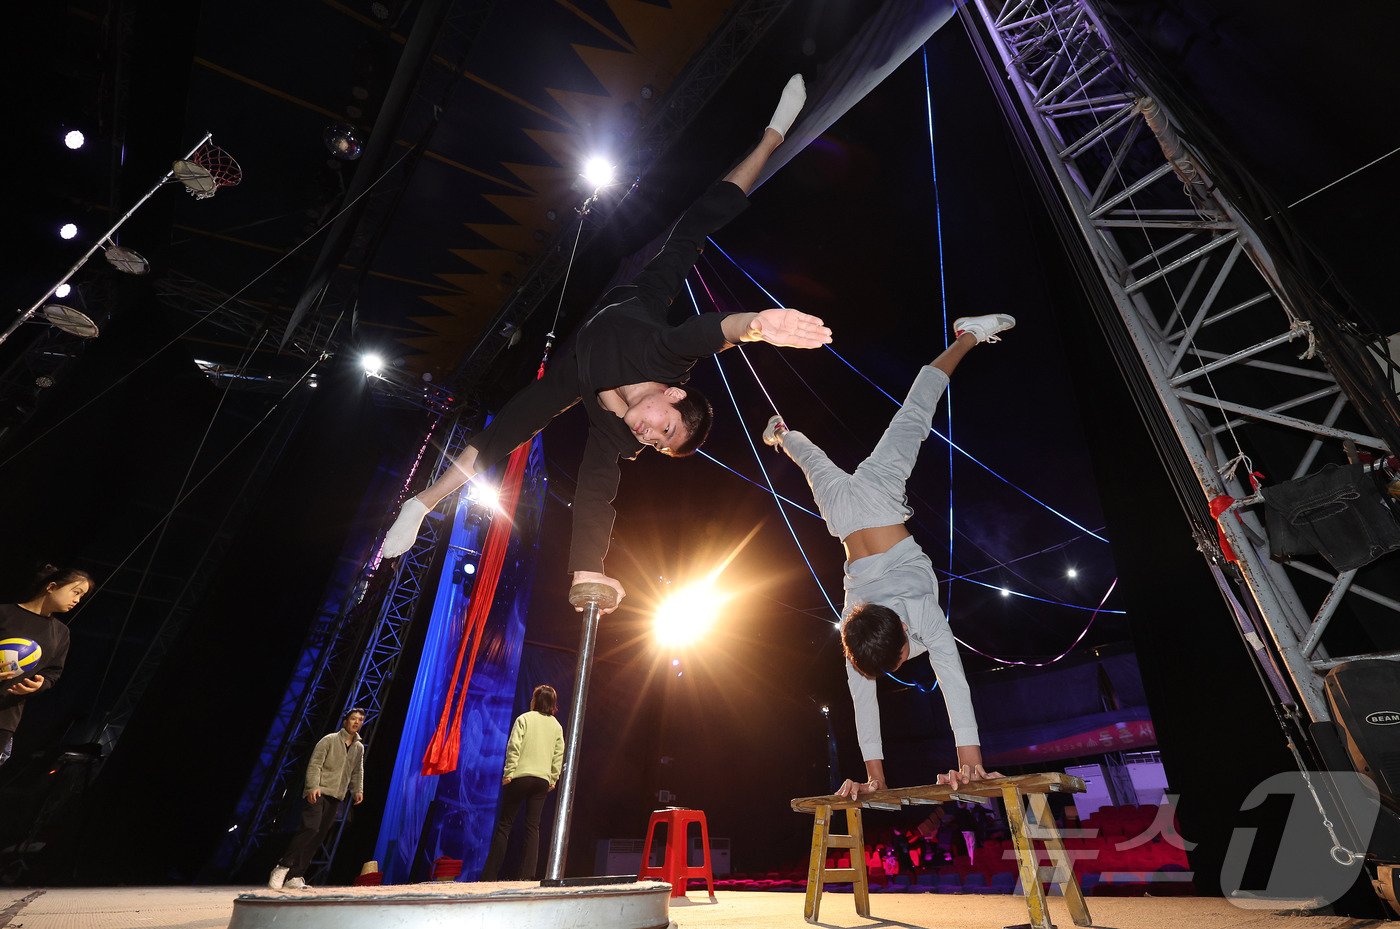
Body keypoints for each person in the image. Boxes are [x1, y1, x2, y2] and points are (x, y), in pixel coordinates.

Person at [380, 75, 831, 613]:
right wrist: (756, 323)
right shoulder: (669, 357)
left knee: (512, 426)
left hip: (579, 369)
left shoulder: (619, 436)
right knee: (690, 231)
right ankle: (772, 136)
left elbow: (596, 495)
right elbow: (711, 331)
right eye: (663, 429)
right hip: (641, 301)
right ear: (673, 396)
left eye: (658, 445)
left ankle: (423, 502)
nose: (649, 435)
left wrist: (588, 573)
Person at [761, 315, 1015, 797]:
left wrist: (970, 759)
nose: (901, 665)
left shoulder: (921, 615)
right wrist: (876, 777)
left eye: (898, 658)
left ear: (900, 631)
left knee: (915, 413)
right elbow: (868, 698)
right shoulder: (856, 628)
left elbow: (952, 677)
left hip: (878, 499)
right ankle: (780, 432)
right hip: (843, 522)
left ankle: (969, 335)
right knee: (812, 461)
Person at [0, 564, 90, 766]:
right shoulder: (5, 613)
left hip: (5, 713)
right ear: (51, 587)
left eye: (81, 596)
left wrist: (39, 685)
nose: (77, 600)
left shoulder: (61, 633)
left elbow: (53, 673)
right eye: (75, 592)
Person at [269, 708, 367, 890]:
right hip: (319, 791)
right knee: (310, 828)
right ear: (346, 720)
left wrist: (357, 789)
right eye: (353, 718)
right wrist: (312, 787)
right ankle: (282, 866)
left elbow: (357, 770)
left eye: (360, 720)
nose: (356, 722)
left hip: (336, 795)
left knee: (319, 834)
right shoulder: (329, 740)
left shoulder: (358, 747)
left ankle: (295, 875)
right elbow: (315, 764)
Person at [480, 684, 565, 881]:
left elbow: (514, 746)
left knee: (505, 825)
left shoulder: (524, 719)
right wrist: (552, 778)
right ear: (552, 703)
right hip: (542, 780)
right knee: (532, 827)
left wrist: (509, 772)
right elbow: (558, 755)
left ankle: (489, 876)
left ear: (535, 700)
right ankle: (527, 877)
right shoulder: (556, 726)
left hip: (520, 776)